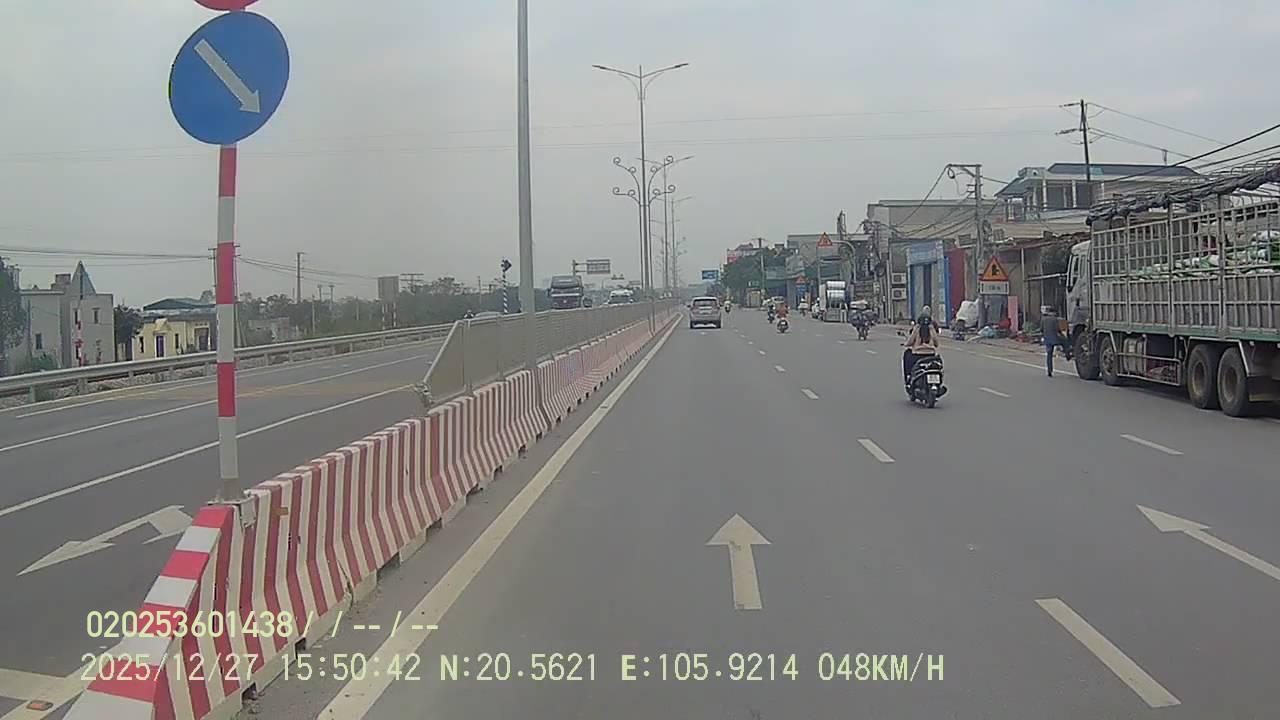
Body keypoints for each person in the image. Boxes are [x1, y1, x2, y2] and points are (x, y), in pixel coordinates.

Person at [902, 306, 940, 387]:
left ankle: (908, 377)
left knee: (907, 354)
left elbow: (910, 341)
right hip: (931, 355)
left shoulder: (917, 328)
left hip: (917, 355)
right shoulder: (932, 328)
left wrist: (906, 344)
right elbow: (936, 343)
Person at [1042, 306, 1061, 377]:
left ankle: (1049, 370)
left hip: (1047, 339)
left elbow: (1041, 329)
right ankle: (1067, 352)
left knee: (1049, 354)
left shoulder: (1044, 319)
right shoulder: (1055, 319)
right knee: (1065, 342)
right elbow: (1058, 329)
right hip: (1054, 338)